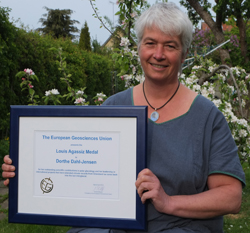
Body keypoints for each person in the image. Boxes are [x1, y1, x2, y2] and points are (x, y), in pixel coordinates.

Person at [2, 2, 245, 233]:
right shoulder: (113, 107)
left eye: (170, 46)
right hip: (110, 225)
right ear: (139, 48)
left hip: (181, 227)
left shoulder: (206, 117)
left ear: (184, 54)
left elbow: (231, 196)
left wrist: (168, 202)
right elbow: (78, 166)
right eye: (150, 43)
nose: (158, 54)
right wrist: (26, 171)